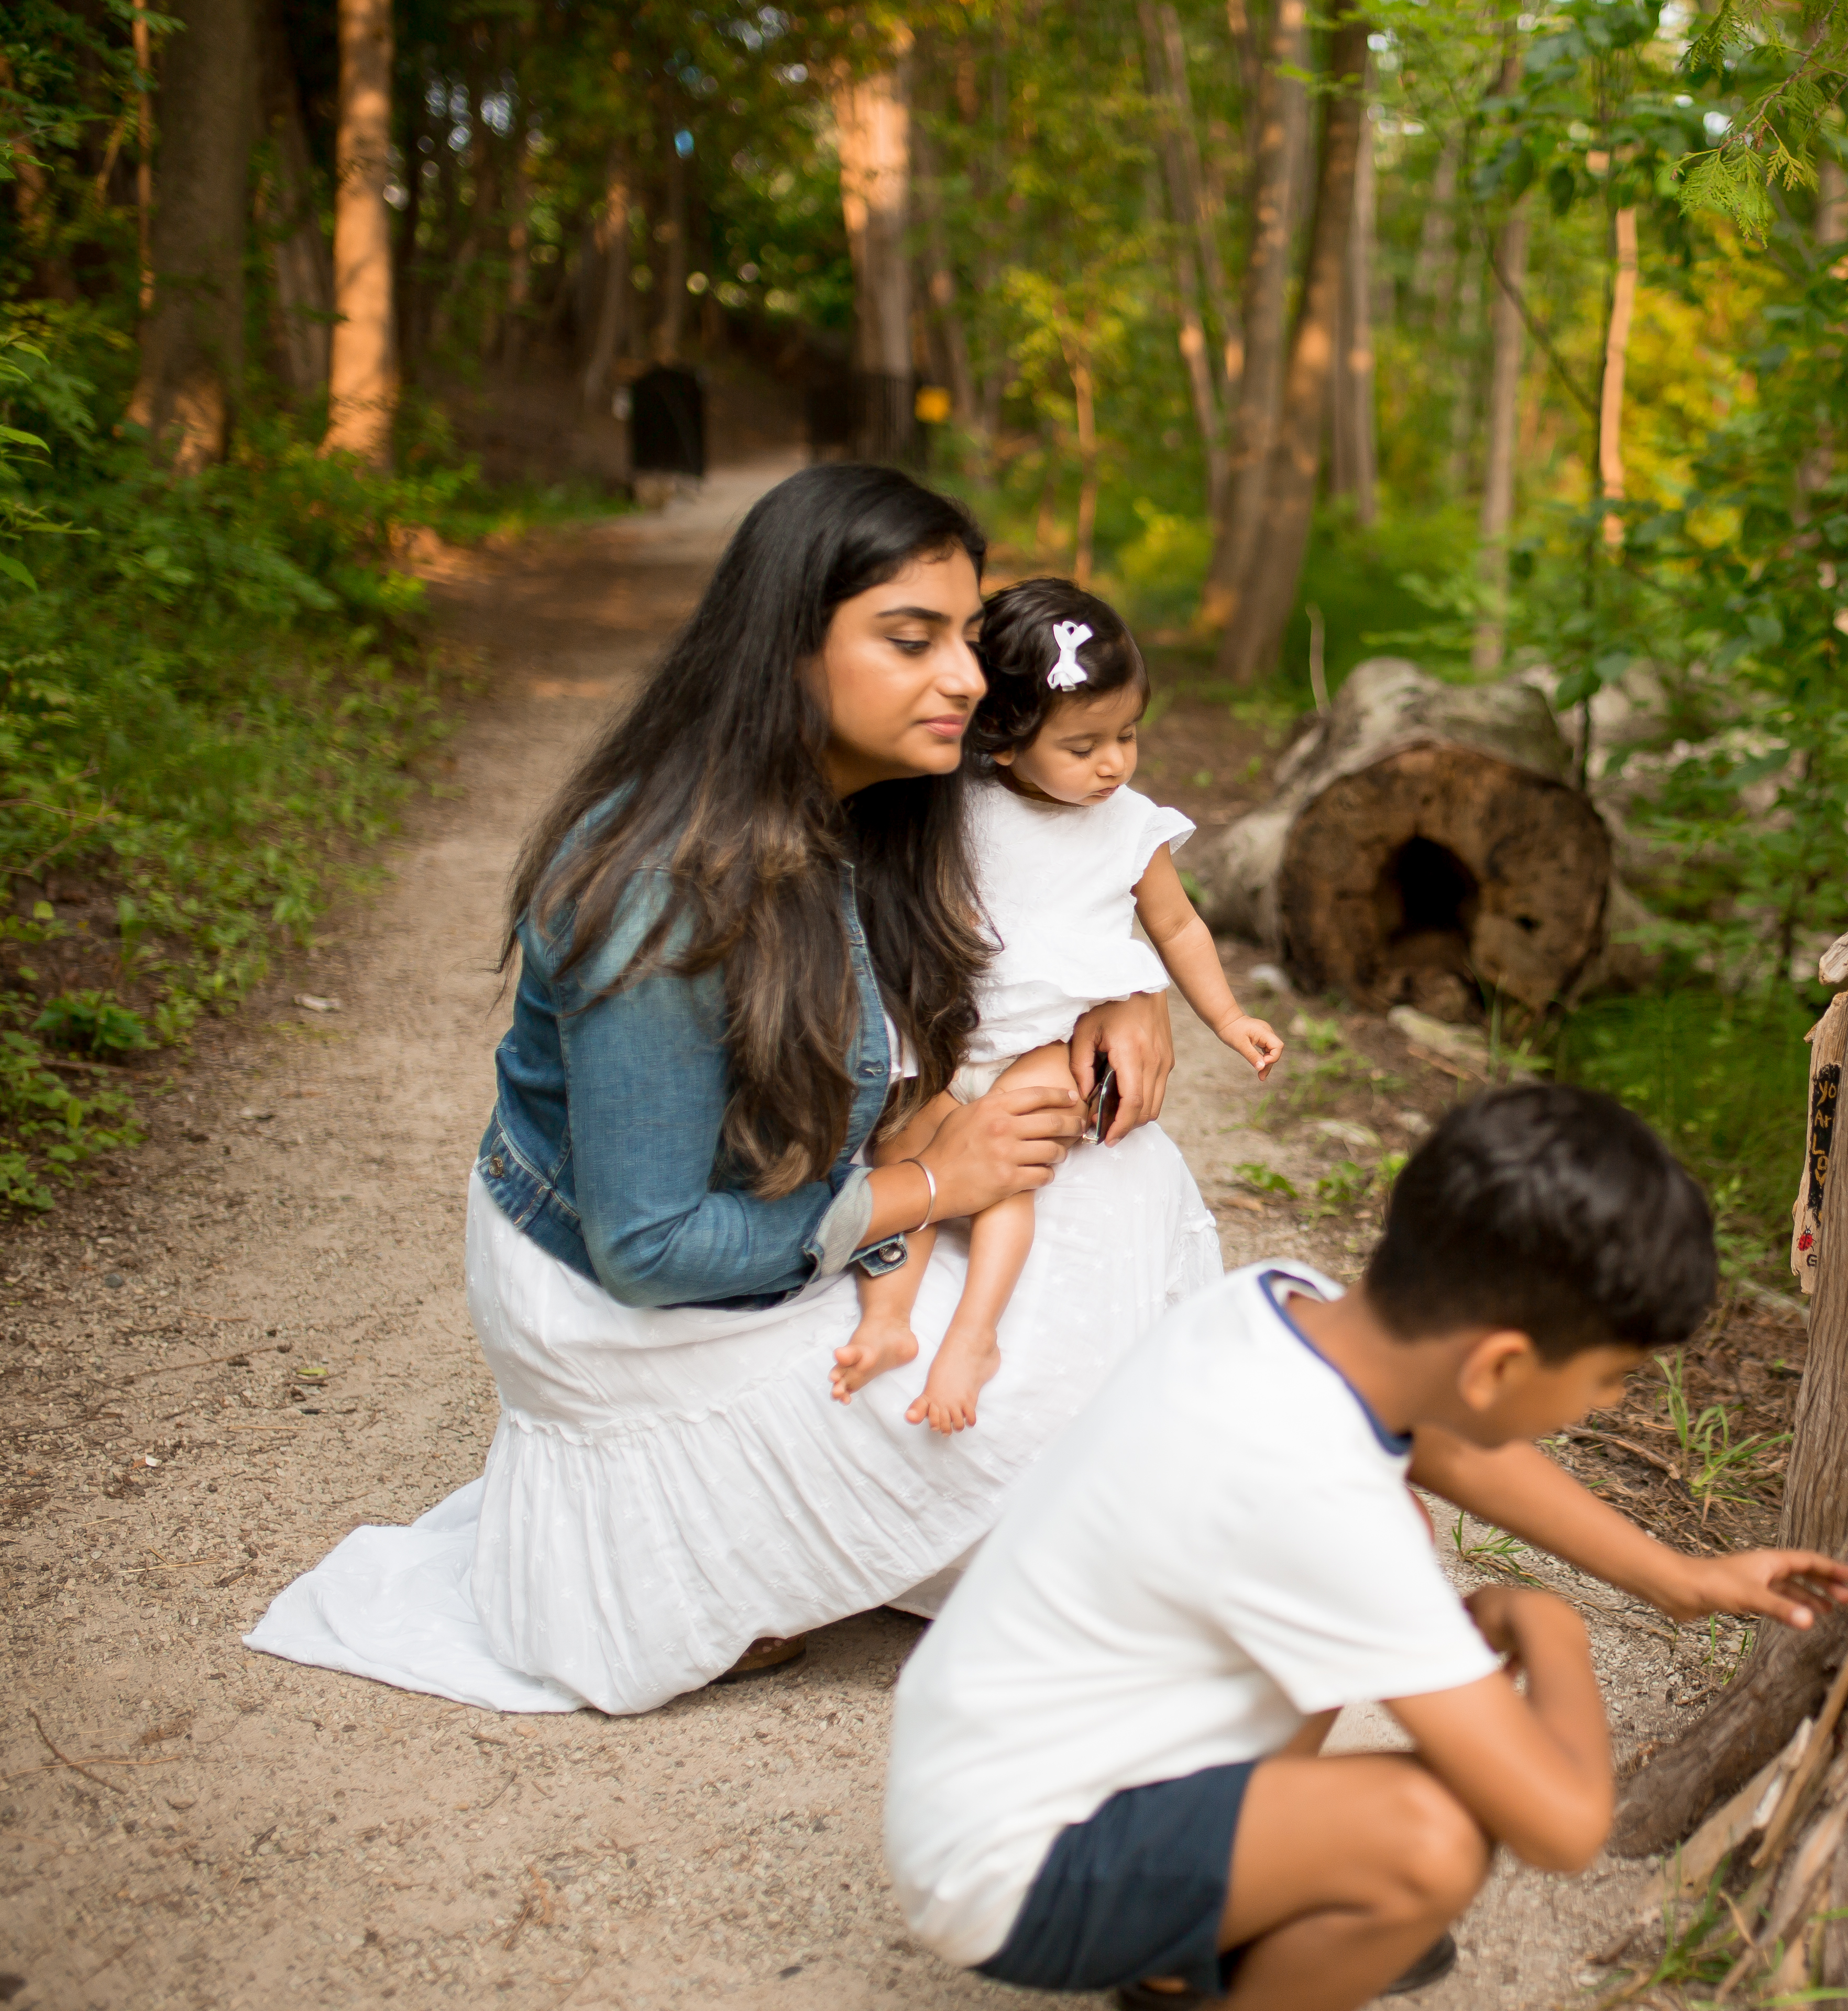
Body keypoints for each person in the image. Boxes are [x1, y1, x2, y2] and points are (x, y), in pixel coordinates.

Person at [246, 464, 1220, 1717]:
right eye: (910, 640)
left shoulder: (895, 799)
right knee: (1039, 1400)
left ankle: (850, 1524)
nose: (970, 680)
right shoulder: (658, 889)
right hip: (639, 1300)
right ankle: (735, 1534)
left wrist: (1126, 1003)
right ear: (788, 650)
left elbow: (1063, 900)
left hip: (794, 1211)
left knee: (1115, 1190)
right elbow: (648, 1246)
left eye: (969, 641)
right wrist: (932, 1182)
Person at [887, 1084, 1848, 2011]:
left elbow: (1443, 1441)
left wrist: (1675, 1579)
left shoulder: (1281, 1309)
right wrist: (1555, 1631)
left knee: (1387, 1541)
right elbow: (1562, 1825)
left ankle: (1208, 1933)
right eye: (1610, 1379)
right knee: (1427, 1842)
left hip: (983, 1761)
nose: (1606, 1403)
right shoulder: (1314, 1496)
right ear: (1503, 1366)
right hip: (1009, 1866)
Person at [835, 579, 1281, 1433]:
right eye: (1083, 746)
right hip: (952, 1036)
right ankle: (887, 1322)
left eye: (1127, 735)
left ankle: (975, 1334)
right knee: (907, 1152)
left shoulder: (1129, 825)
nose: (1114, 762)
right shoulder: (953, 807)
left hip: (1045, 1041)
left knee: (1012, 1162)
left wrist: (1226, 1019)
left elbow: (1179, 928)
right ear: (1002, 743)